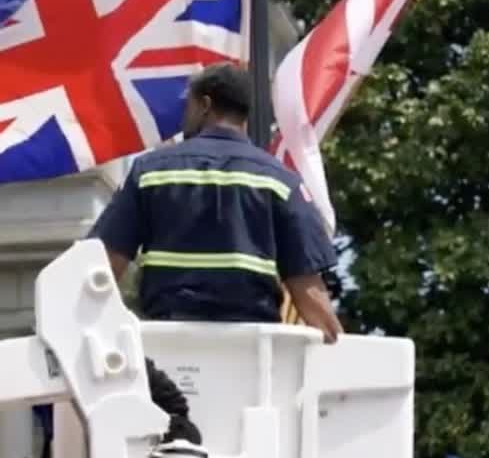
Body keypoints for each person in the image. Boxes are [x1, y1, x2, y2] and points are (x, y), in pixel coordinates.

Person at [90, 62, 344, 341]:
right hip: (253, 352)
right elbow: (309, 293)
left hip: (166, 346)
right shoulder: (282, 181)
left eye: (188, 106)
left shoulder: (149, 172)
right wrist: (340, 347)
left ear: (205, 105)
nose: (183, 118)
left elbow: (101, 269)